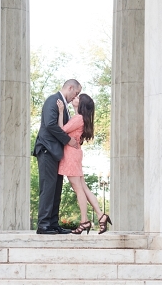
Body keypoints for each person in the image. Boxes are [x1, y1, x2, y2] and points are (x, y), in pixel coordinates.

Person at [57, 93, 112, 235]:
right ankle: (101, 215)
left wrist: (61, 111)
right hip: (75, 154)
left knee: (78, 189)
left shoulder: (78, 118)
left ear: (80, 104)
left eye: (77, 98)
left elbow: (61, 131)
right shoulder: (81, 119)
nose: (74, 98)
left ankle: (84, 220)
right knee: (84, 188)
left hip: (70, 155)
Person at [32, 79, 81, 234]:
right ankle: (44, 224)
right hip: (47, 150)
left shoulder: (63, 105)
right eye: (76, 93)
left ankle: (53, 223)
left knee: (56, 188)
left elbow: (65, 127)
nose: (75, 97)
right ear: (70, 87)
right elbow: (50, 124)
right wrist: (68, 141)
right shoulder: (52, 100)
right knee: (48, 188)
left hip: (57, 153)